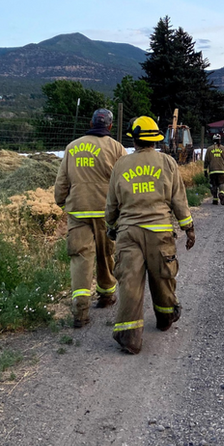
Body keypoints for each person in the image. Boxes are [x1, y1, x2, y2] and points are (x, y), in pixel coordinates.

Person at [105, 116, 195, 354]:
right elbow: (179, 200)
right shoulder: (167, 162)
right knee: (163, 277)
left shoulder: (120, 165)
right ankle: (165, 319)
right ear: (156, 138)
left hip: (128, 233)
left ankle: (130, 338)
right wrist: (188, 228)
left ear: (134, 138)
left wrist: (111, 225)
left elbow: (111, 205)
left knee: (129, 283)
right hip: (159, 233)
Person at [54, 108, 127, 328]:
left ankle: (81, 311)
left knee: (80, 258)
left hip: (78, 211)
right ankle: (106, 296)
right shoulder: (117, 148)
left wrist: (62, 201)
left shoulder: (72, 147)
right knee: (106, 254)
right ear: (110, 126)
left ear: (91, 122)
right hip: (107, 213)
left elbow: (62, 181)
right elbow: (124, 180)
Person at [204, 133, 224, 205]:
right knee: (222, 183)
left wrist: (205, 171)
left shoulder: (209, 149)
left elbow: (206, 161)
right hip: (222, 170)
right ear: (220, 140)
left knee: (214, 185)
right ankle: (221, 194)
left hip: (212, 171)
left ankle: (215, 199)